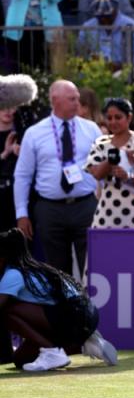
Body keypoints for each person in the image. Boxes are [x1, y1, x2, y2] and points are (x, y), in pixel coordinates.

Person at [14, 80, 101, 277]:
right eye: (72, 99)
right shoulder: (34, 133)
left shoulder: (91, 129)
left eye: (78, 99)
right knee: (57, 271)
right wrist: (22, 213)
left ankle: (91, 307)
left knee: (93, 267)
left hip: (85, 205)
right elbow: (23, 175)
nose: (77, 104)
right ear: (55, 100)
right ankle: (65, 309)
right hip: (50, 209)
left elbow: (102, 167)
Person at [0, 228, 117, 371]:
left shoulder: (13, 274)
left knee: (6, 311)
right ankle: (84, 344)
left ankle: (52, 351)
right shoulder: (33, 268)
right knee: (21, 360)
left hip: (75, 317)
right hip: (82, 318)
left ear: (3, 256)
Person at [85, 98, 134, 229]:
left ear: (129, 118)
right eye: (109, 118)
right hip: (110, 215)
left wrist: (128, 177)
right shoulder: (101, 143)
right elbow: (97, 174)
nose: (113, 122)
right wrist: (112, 158)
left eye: (118, 117)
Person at [76, 0, 134, 70]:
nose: (103, 20)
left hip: (125, 71)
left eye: (107, 16)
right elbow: (80, 56)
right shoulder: (87, 27)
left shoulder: (132, 26)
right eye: (100, 17)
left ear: (116, 10)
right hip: (95, 71)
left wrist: (120, 67)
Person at [0, 107, 18, 231]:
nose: (7, 111)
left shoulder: (25, 133)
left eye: (11, 106)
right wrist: (5, 153)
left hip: (17, 200)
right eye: (3, 106)